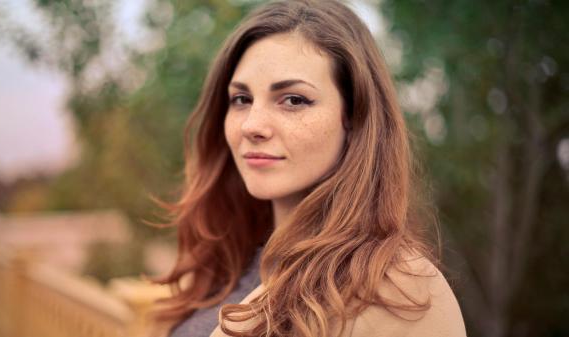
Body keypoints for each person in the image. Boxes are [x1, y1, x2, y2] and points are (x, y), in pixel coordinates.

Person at [152, 1, 466, 336]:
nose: (252, 126)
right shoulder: (229, 266)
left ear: (354, 118)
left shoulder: (399, 289)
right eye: (241, 99)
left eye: (293, 100)